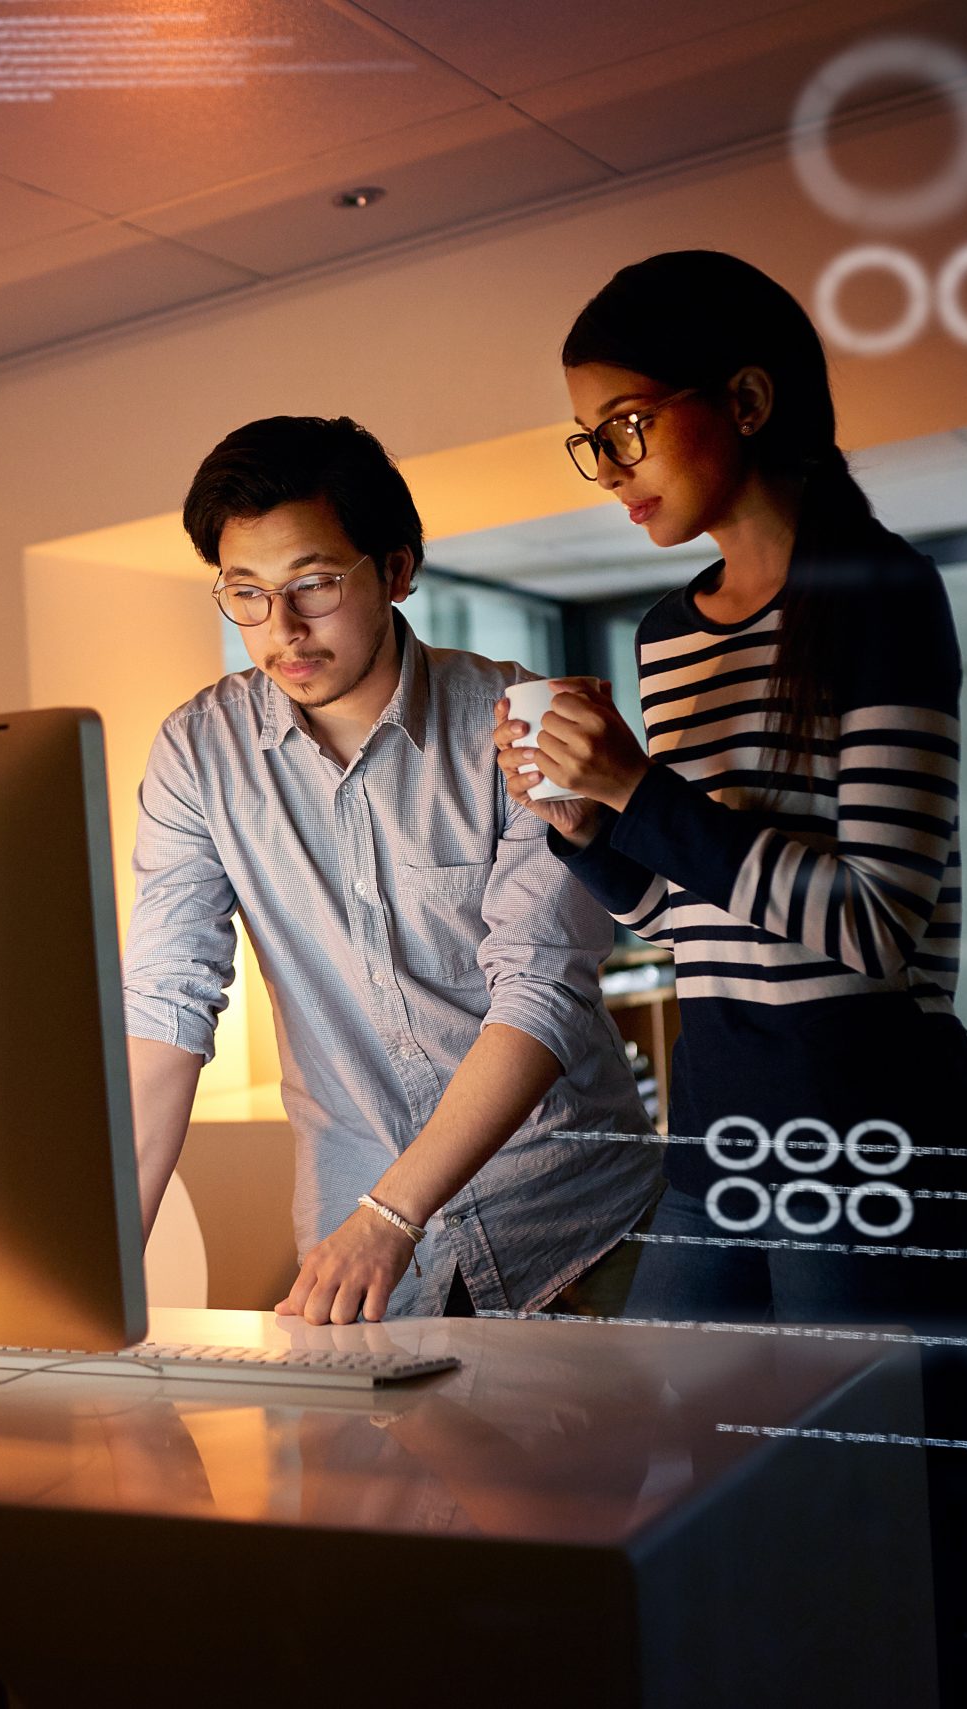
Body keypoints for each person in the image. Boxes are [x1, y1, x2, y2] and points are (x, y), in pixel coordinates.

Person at [493, 251, 967, 1705]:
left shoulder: (878, 589)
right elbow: (694, 914)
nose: (608, 467)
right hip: (724, 1105)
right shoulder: (671, 634)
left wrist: (649, 796)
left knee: (900, 1544)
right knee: (713, 1503)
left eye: (627, 426)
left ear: (743, 397)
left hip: (870, 1111)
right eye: (586, 439)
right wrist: (586, 826)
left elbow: (870, 923)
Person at [123, 414, 658, 1327]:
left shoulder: (521, 720)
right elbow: (167, 1002)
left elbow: (541, 994)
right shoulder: (198, 752)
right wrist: (105, 1264)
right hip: (363, 1268)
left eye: (314, 585)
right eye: (245, 593)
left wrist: (392, 1209)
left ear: (398, 570)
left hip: (572, 1226)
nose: (281, 629)